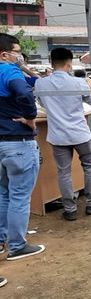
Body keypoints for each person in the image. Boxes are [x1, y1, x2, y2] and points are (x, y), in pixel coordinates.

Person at [34, 47, 91, 221]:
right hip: (80, 132)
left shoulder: (41, 83)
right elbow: (90, 101)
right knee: (90, 166)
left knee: (63, 172)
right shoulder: (78, 83)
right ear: (69, 63)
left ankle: (70, 208)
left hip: (57, 134)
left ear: (52, 63)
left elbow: (40, 103)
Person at [0, 33, 45, 261]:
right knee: (19, 196)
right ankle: (17, 246)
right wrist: (30, 118)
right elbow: (26, 93)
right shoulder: (8, 71)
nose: (20, 56)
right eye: (17, 52)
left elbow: (35, 81)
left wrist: (26, 70)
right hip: (17, 143)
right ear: (5, 54)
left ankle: (1, 242)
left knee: (3, 194)